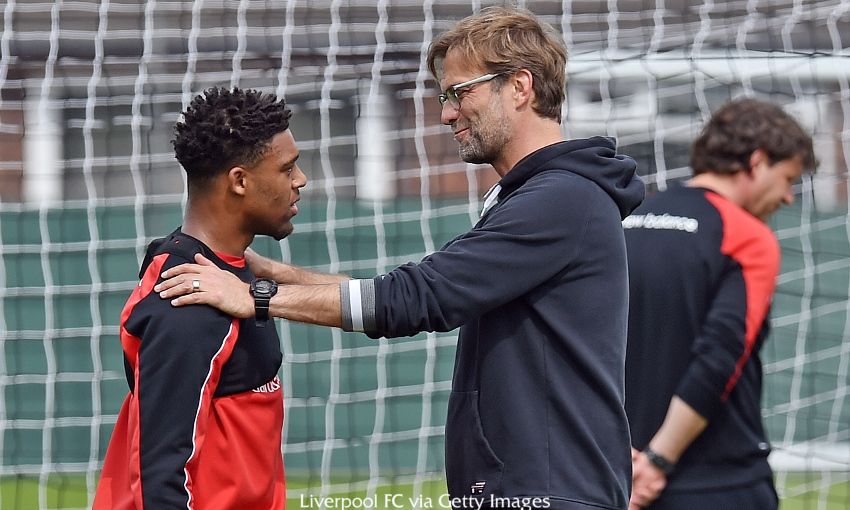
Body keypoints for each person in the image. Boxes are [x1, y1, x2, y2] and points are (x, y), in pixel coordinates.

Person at [156, 7, 644, 509]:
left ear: (519, 87)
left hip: (549, 492)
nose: (447, 113)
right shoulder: (541, 196)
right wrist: (282, 274)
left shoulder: (560, 198)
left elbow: (417, 298)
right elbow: (414, 290)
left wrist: (257, 297)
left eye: (459, 92)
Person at [94, 87, 307, 509]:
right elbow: (162, 478)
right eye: (287, 168)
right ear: (239, 181)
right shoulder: (189, 305)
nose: (300, 180)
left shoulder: (222, 270)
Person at [622, 98, 817, 510]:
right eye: (787, 179)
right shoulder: (747, 236)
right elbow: (719, 358)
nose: (788, 198)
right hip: (714, 482)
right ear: (757, 162)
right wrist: (658, 460)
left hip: (622, 477)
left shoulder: (627, 222)